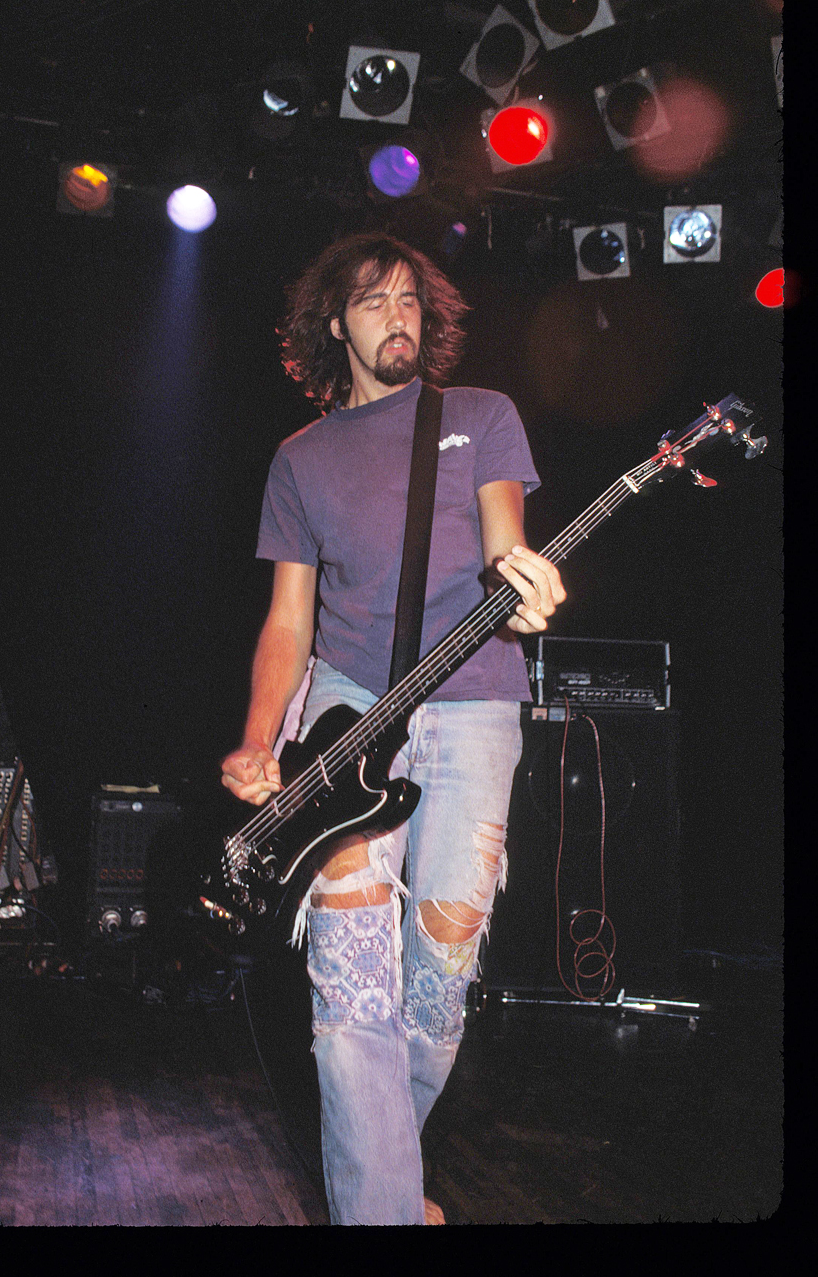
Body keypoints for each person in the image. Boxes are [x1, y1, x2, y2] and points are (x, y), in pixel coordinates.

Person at [221, 233, 566, 1225]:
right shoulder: (300, 459)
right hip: (341, 716)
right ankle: (377, 1213)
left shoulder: (479, 417)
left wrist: (521, 578)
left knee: (435, 987)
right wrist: (257, 737)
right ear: (334, 322)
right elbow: (289, 619)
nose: (398, 315)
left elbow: (505, 543)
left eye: (411, 298)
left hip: (473, 704)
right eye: (374, 301)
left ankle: (375, 1177)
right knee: (350, 996)